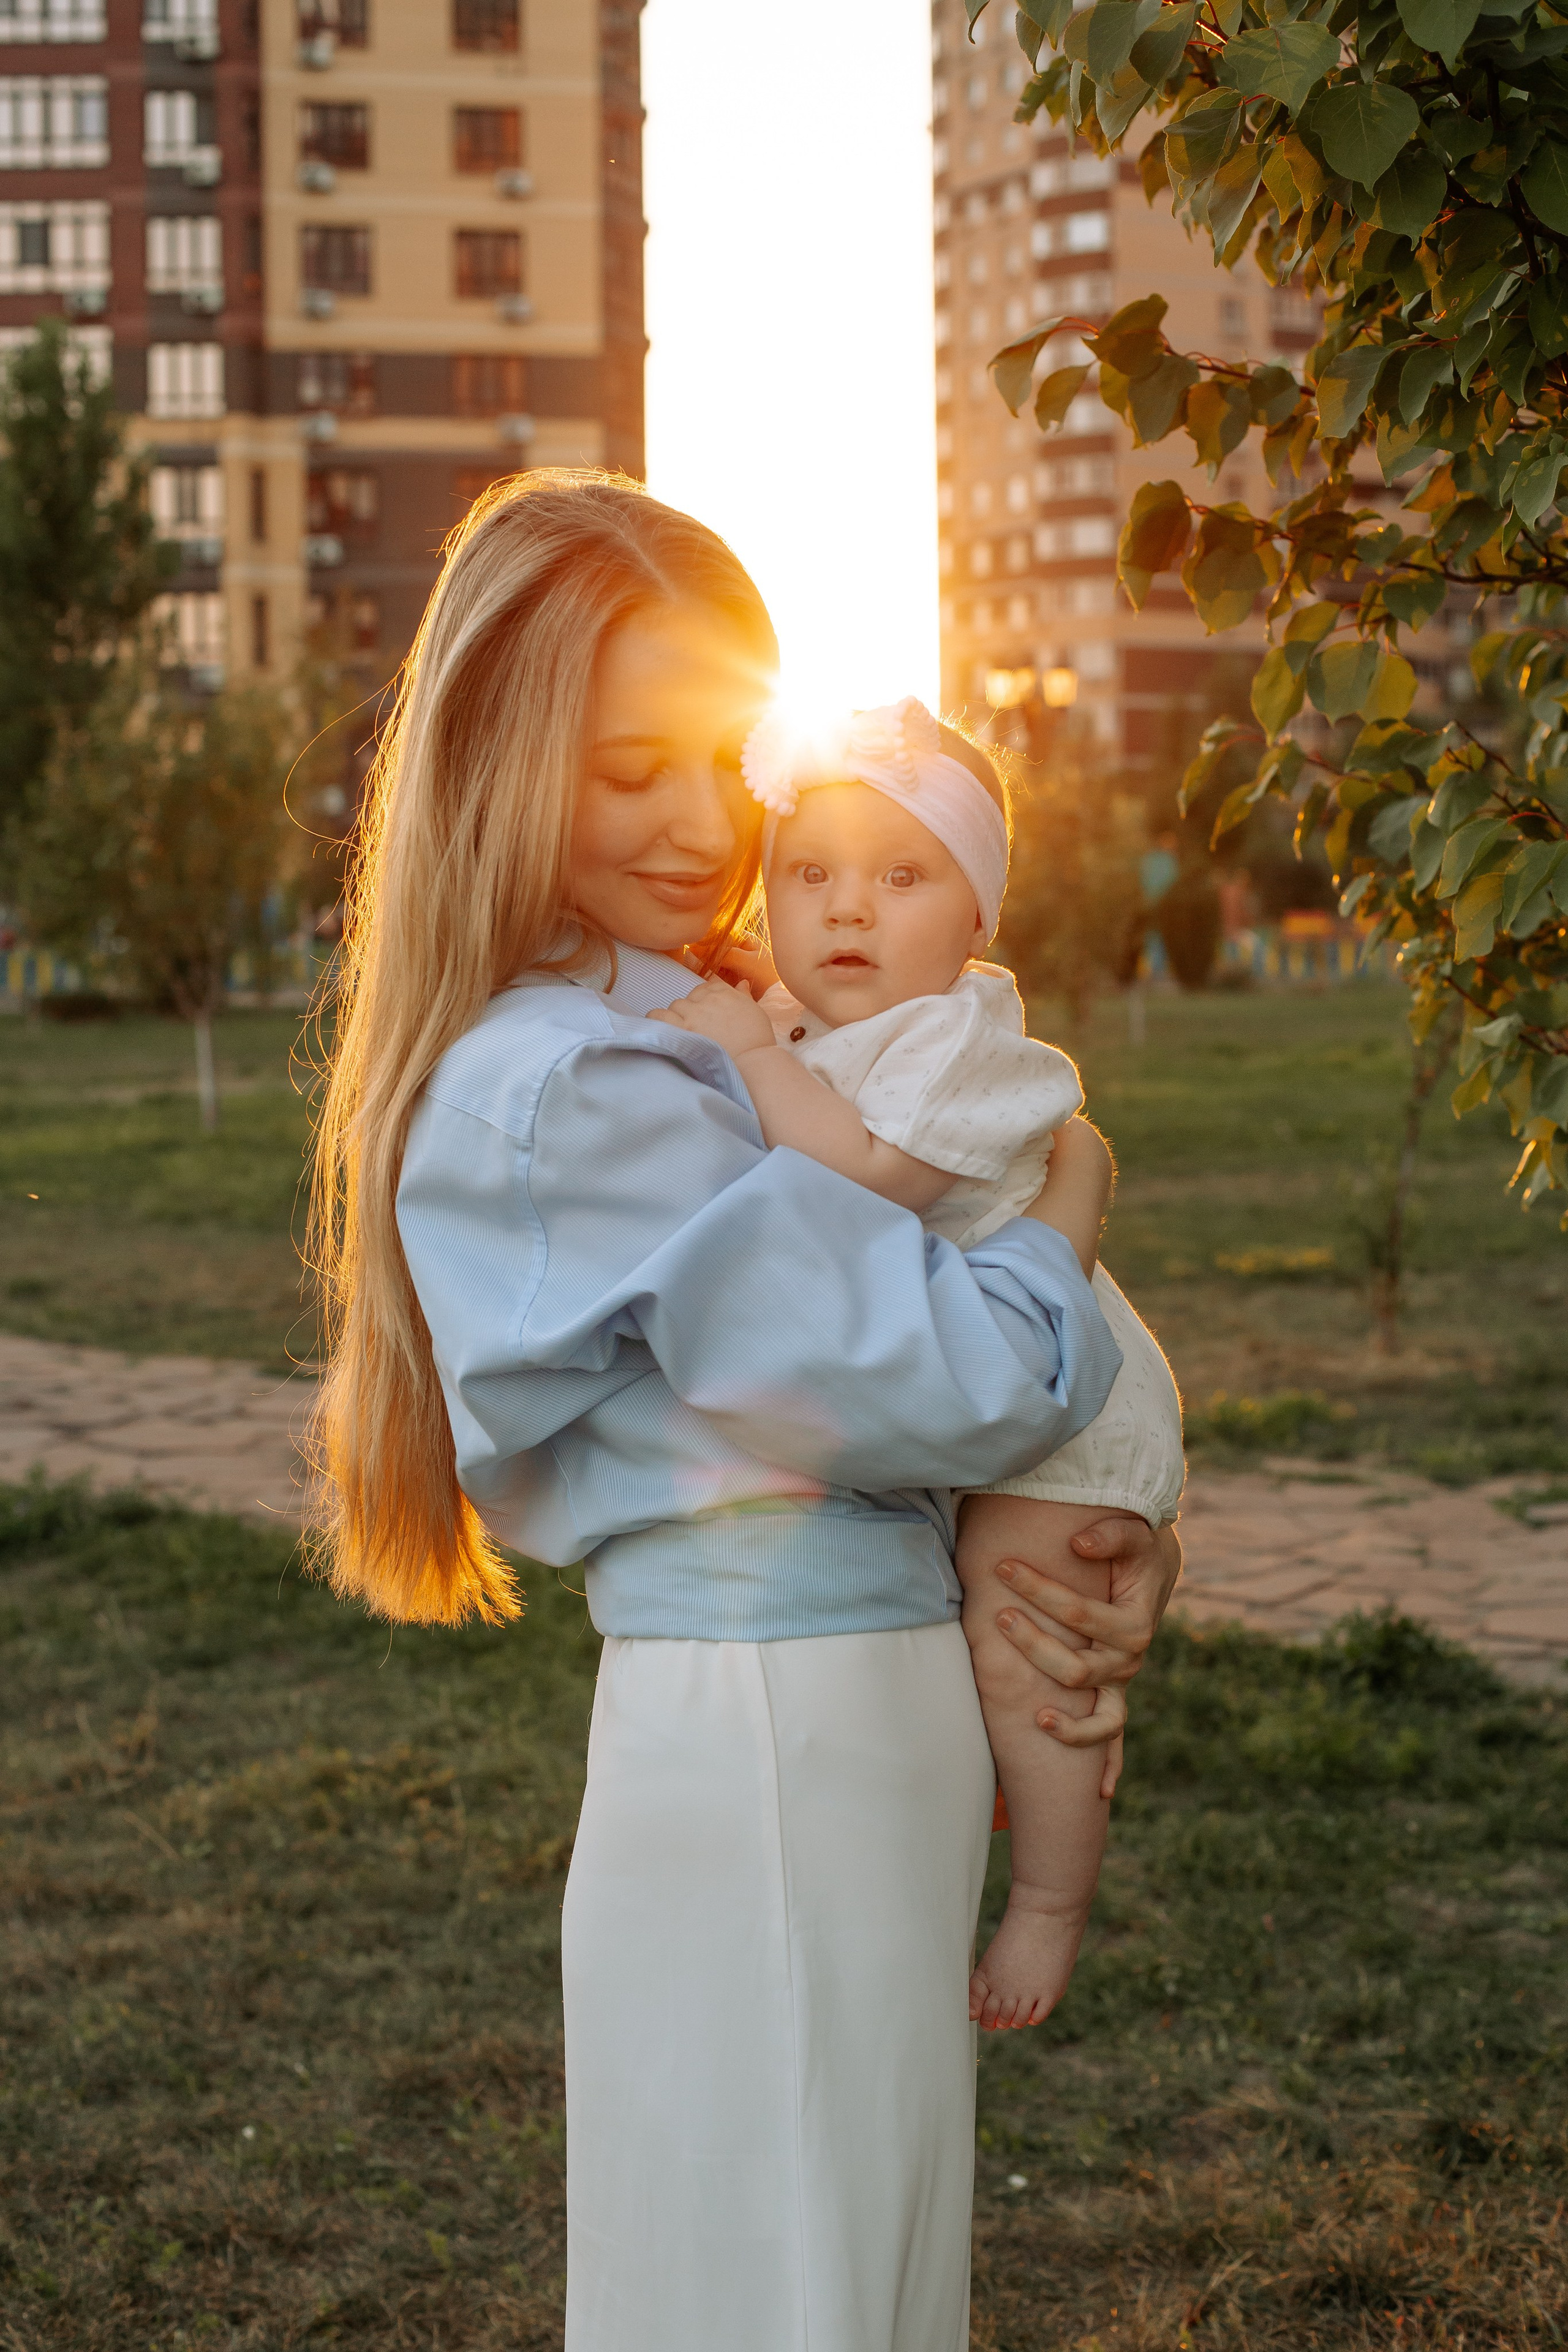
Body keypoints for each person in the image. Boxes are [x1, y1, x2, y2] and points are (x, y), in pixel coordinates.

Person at [307, 472, 1185, 2352]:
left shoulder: (680, 1022)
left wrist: (1090, 1548)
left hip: (833, 1703)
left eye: (728, 764)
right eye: (634, 772)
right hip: (784, 1721)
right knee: (790, 2274)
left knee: (808, 2259)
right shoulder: (573, 1084)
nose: (707, 826)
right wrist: (1072, 1206)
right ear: (503, 760)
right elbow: (943, 1378)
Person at [650, 698, 1186, 2033]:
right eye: (808, 874)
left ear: (977, 925)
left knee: (1032, 1662)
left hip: (1070, 1408)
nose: (846, 911)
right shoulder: (833, 1018)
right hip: (998, 1374)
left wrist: (751, 1048)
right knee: (994, 1653)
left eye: (901, 878)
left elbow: (868, 1182)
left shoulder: (957, 1037)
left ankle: (1050, 1905)